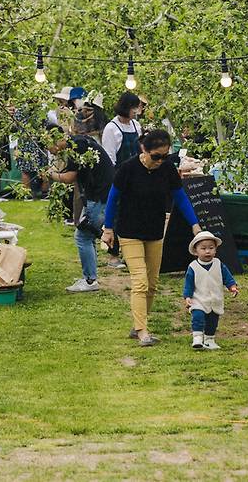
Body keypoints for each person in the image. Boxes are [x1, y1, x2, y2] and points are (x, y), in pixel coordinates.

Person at [102, 129, 201, 346]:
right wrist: (108, 228)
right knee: (140, 281)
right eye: (156, 156)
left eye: (165, 156)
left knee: (152, 283)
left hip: (155, 232)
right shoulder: (127, 168)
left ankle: (138, 322)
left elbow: (181, 198)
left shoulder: (167, 169)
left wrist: (195, 224)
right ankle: (142, 331)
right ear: (143, 149)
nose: (160, 160)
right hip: (129, 232)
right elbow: (112, 199)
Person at [48, 105, 114, 293]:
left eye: (50, 146)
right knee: (88, 234)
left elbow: (69, 177)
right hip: (101, 192)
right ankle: (90, 276)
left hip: (99, 195)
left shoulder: (76, 146)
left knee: (82, 236)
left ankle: (91, 281)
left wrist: (51, 174)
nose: (51, 151)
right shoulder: (78, 142)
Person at [183, 231, 239, 350]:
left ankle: (209, 339)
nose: (207, 251)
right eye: (203, 248)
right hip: (198, 299)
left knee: (213, 321)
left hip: (215, 299)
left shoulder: (219, 264)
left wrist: (232, 287)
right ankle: (197, 337)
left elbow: (227, 278)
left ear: (215, 250)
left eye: (211, 248)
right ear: (196, 251)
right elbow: (188, 284)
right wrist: (187, 297)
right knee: (197, 316)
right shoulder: (193, 267)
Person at [101, 93, 143, 166]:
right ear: (125, 107)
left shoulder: (136, 125)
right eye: (133, 108)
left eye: (137, 107)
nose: (135, 111)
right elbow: (109, 158)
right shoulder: (111, 128)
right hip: (121, 173)